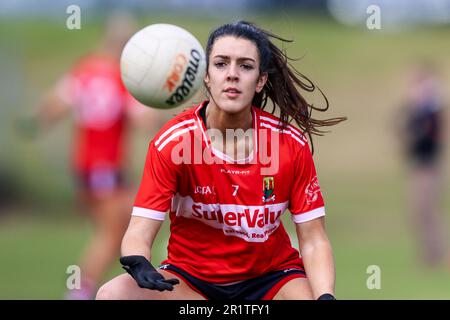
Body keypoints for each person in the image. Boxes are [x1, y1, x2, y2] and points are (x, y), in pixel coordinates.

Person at [96, 21, 346, 300]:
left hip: (272, 280)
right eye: (221, 63)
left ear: (261, 80)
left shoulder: (289, 144)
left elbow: (313, 239)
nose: (232, 75)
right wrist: (140, 261)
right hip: (192, 283)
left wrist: (326, 295)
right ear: (206, 76)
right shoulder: (173, 143)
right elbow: (139, 231)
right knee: (114, 294)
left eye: (246, 66)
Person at [20, 13, 161, 299]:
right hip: (105, 168)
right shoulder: (123, 77)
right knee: (114, 233)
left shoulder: (85, 69)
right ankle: (80, 292)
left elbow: (57, 103)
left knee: (122, 229)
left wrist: (35, 123)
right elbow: (142, 120)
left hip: (85, 165)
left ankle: (100, 288)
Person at [399, 63, 447, 267]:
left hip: (429, 166)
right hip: (419, 166)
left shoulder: (432, 110)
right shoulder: (418, 110)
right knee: (420, 212)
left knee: (428, 210)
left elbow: (431, 136)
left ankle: (440, 254)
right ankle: (430, 254)